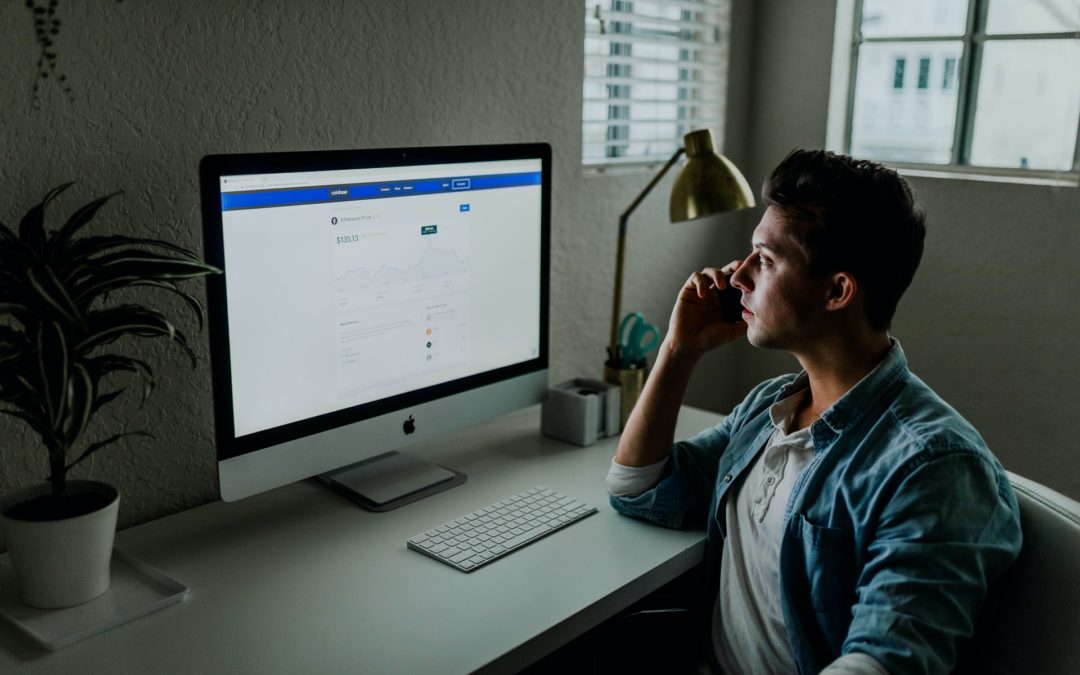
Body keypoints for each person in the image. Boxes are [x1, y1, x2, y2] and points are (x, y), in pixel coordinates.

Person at [605, 149, 1022, 674]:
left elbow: (884, 662)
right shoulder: (771, 408)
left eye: (766, 258)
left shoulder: (934, 467)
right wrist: (678, 350)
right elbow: (637, 488)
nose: (738, 276)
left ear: (837, 291)